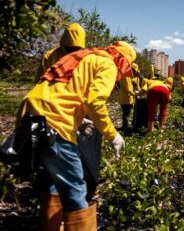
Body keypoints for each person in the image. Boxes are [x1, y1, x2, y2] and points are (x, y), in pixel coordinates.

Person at [17, 41, 136, 230]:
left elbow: (62, 91)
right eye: (125, 69)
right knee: (75, 188)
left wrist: (79, 121)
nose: (121, 74)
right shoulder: (108, 64)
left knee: (52, 182)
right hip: (55, 124)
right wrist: (113, 135)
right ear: (122, 60)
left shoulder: (79, 57)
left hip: (30, 115)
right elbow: (95, 102)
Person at [117, 63, 139, 131]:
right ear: (132, 70)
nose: (135, 73)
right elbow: (128, 89)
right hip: (126, 99)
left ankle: (125, 126)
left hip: (124, 98)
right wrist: (135, 94)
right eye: (135, 71)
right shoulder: (126, 76)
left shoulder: (127, 75)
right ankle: (125, 128)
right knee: (126, 114)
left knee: (126, 113)